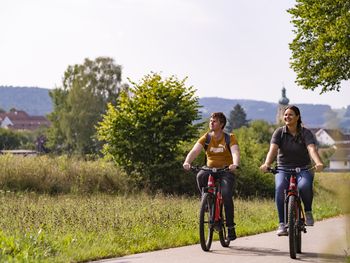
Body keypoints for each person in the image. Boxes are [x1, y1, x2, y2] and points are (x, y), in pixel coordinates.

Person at [260, 105, 324, 236]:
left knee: (305, 186)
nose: (287, 117)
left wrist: (318, 162)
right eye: (285, 115)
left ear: (297, 117)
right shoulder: (279, 132)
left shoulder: (305, 133)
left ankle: (308, 211)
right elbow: (272, 151)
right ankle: (282, 224)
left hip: (303, 168)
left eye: (290, 115)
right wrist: (267, 163)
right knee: (280, 188)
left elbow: (311, 149)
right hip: (283, 168)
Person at [183, 112, 240, 240]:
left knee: (226, 194)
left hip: (225, 170)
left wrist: (235, 164)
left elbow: (235, 152)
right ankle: (207, 202)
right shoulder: (206, 137)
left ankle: (230, 227)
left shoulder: (229, 137)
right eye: (210, 120)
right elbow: (195, 151)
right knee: (200, 176)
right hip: (209, 169)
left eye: (214, 121)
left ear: (221, 124)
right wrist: (187, 162)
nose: (211, 123)